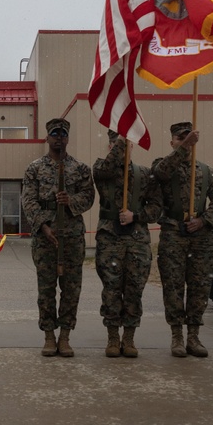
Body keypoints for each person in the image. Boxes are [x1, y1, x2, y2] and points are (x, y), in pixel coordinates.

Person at [151, 122, 213, 358]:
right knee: (173, 287)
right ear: (172, 141)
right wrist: (184, 147)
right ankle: (177, 336)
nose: (184, 141)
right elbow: (161, 173)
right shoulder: (163, 166)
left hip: (201, 237)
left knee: (199, 287)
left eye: (188, 137)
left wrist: (203, 221)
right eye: (179, 138)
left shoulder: (207, 172)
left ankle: (193, 336)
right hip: (173, 233)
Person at [20, 118, 94, 357]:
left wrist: (70, 201)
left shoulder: (80, 169)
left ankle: (65, 337)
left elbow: (89, 196)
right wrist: (43, 226)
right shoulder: (34, 168)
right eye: (54, 133)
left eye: (62, 134)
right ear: (47, 137)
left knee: (71, 289)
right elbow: (28, 200)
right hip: (45, 237)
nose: (58, 137)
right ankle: (49, 336)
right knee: (46, 290)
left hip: (72, 236)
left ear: (68, 137)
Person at [92, 130, 163, 358]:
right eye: (114, 144)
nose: (120, 148)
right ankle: (113, 337)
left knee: (134, 290)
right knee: (111, 290)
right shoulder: (102, 170)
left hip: (137, 240)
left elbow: (156, 207)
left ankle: (129, 338)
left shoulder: (145, 175)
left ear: (133, 147)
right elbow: (108, 166)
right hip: (109, 239)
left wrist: (137, 215)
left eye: (125, 144)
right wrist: (122, 140)